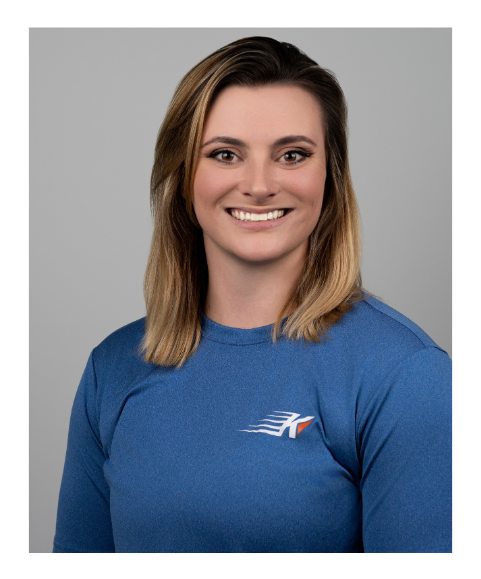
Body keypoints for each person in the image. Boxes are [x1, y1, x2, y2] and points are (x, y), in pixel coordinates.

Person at [53, 36, 451, 553]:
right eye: (225, 154)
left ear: (329, 177)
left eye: (292, 154)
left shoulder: (405, 376)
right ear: (182, 177)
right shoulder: (112, 370)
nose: (259, 184)